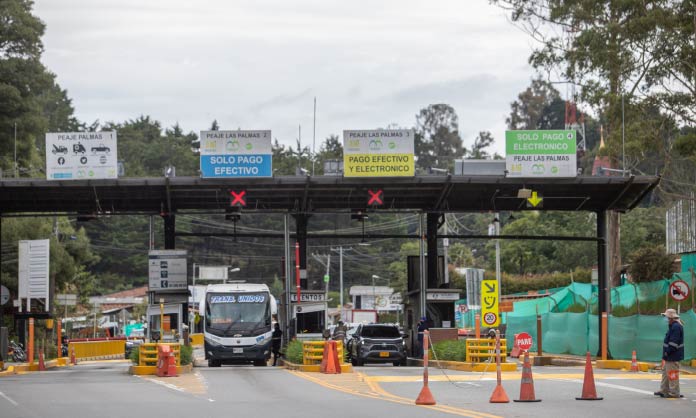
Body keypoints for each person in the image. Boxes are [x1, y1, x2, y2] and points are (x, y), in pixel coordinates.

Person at [655, 308, 684, 398]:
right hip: (670, 355)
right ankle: (664, 390)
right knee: (666, 373)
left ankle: (674, 392)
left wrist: (667, 352)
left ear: (671, 318)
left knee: (672, 373)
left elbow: (673, 342)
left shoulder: (676, 327)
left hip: (673, 355)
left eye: (667, 317)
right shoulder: (673, 326)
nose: (666, 319)